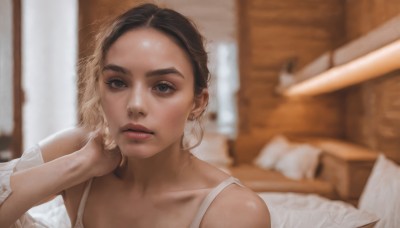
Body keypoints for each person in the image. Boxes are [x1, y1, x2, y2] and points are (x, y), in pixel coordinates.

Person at [0, 3, 271, 227]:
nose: (136, 105)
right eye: (117, 82)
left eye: (163, 87)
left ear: (198, 103)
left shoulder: (235, 212)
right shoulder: (77, 151)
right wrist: (78, 165)